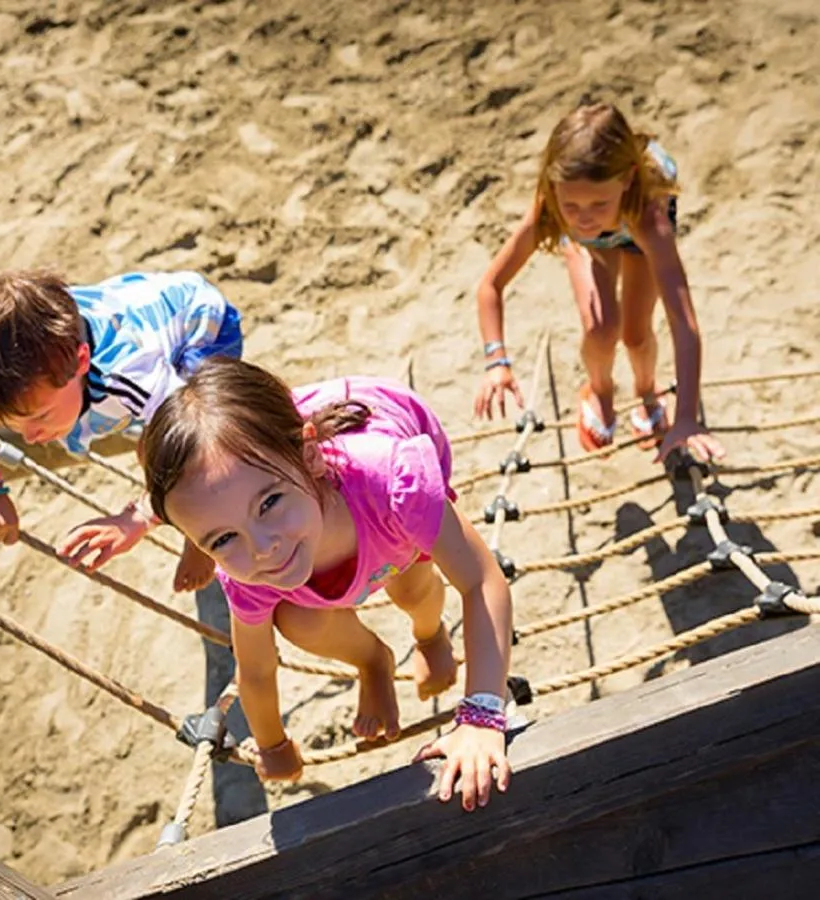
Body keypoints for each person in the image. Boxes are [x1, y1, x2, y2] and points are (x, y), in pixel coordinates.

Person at [142, 357, 514, 810]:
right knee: (298, 620)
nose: (262, 547)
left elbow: (481, 580)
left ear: (310, 456)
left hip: (376, 481)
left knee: (412, 587)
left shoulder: (393, 485)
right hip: (283, 453)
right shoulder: (247, 571)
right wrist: (273, 746)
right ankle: (373, 661)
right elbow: (255, 670)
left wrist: (481, 717)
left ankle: (429, 633)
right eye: (221, 539)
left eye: (270, 503)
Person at [0, 269, 243, 591]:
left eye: (40, 416)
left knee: (155, 449)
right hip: (128, 302)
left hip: (200, 324)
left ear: (82, 361)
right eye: (12, 425)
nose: (29, 436)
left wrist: (138, 518)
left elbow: (199, 439)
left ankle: (198, 535)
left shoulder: (126, 370)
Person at [473, 101, 725, 463]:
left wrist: (686, 417)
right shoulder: (555, 207)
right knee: (600, 328)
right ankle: (600, 390)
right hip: (591, 244)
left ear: (626, 180)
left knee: (636, 334)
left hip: (631, 225)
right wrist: (496, 361)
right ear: (555, 188)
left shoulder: (648, 216)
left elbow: (682, 320)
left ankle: (647, 390)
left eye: (598, 204)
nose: (585, 218)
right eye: (571, 206)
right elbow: (491, 285)